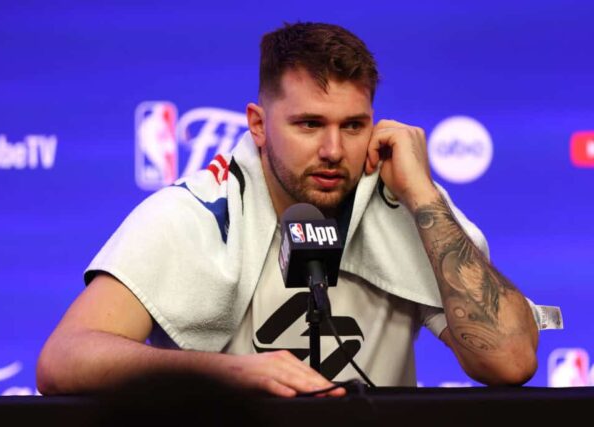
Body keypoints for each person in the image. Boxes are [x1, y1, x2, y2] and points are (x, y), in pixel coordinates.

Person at [37, 22, 539, 398]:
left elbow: (512, 362)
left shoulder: (410, 206)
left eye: (352, 126)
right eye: (308, 124)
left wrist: (424, 194)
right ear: (257, 125)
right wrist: (230, 373)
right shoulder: (194, 211)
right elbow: (63, 359)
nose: (332, 150)